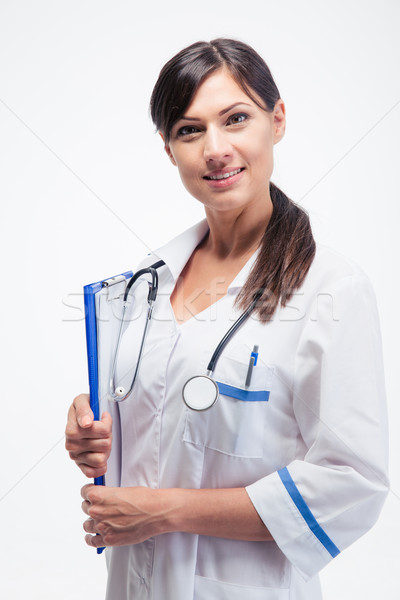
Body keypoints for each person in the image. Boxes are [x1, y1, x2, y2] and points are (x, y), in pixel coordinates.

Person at [65, 38, 389, 600]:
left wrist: (163, 512)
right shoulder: (145, 282)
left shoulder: (332, 289)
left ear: (277, 119)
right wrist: (95, 427)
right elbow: (160, 429)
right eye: (189, 130)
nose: (215, 148)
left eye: (235, 119)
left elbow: (351, 486)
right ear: (170, 150)